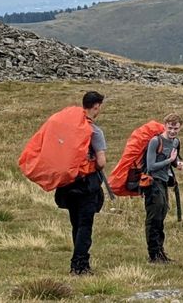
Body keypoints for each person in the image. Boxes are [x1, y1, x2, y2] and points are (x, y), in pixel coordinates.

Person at [57, 91, 108, 276]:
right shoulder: (94, 131)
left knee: (76, 224)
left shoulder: (67, 128)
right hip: (87, 185)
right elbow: (101, 162)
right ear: (96, 106)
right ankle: (79, 265)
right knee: (85, 225)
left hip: (67, 184)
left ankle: (78, 262)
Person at [143, 113, 183, 264]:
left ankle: (160, 253)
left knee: (161, 216)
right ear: (165, 126)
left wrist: (177, 163)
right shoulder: (155, 141)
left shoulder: (176, 142)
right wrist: (170, 160)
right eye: (170, 128)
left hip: (164, 182)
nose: (173, 131)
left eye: (176, 128)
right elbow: (151, 166)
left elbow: (175, 158)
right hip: (153, 182)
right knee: (154, 218)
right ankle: (153, 255)